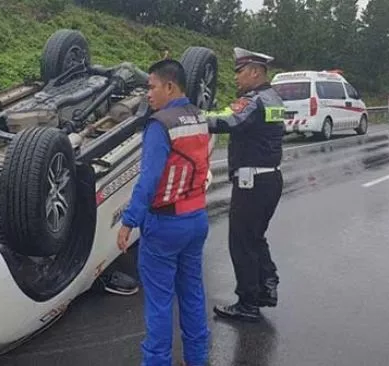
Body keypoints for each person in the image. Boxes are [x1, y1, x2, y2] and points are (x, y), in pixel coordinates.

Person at [117, 59, 211, 366]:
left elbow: (148, 180)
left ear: (169, 86)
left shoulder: (160, 125)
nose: (148, 94)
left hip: (165, 224)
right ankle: (197, 359)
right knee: (192, 295)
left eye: (152, 86)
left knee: (158, 302)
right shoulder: (198, 116)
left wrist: (129, 221)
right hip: (196, 218)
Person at [204, 47, 286, 322]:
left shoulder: (254, 101)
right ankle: (267, 285)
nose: (236, 78)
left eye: (239, 72)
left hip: (253, 182)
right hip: (270, 179)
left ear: (255, 72)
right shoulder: (274, 98)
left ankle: (247, 303)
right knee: (254, 237)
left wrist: (191, 116)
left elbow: (226, 121)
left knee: (241, 242)